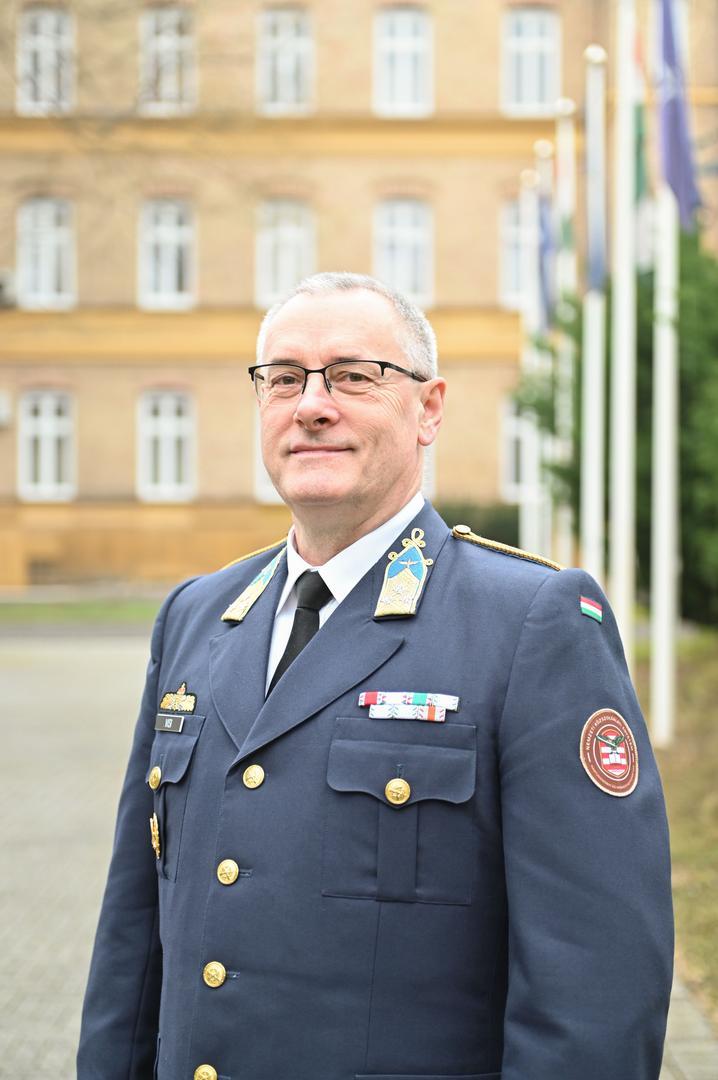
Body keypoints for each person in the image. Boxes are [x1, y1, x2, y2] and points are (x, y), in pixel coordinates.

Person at [78, 272, 673, 1080]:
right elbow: (133, 939)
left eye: (354, 376)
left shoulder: (529, 623)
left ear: (429, 409)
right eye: (283, 378)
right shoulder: (197, 614)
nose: (311, 405)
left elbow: (594, 987)